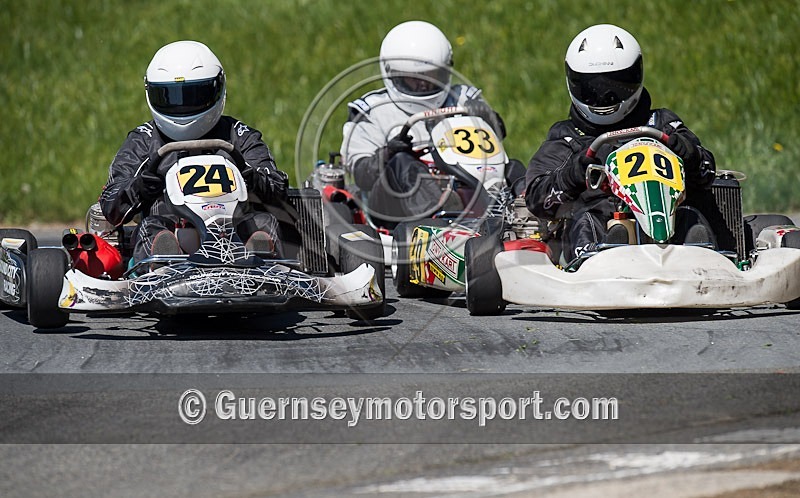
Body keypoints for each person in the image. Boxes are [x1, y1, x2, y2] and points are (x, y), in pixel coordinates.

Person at [525, 24, 719, 262]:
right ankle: (604, 254)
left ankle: (700, 255)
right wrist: (571, 174)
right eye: (591, 88)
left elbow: (708, 172)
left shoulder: (661, 123)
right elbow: (537, 199)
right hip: (601, 223)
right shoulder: (567, 137)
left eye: (616, 86)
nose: (604, 97)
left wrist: (691, 154)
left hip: (670, 220)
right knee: (589, 221)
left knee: (690, 216)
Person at [99, 40, 289, 263]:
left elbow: (278, 190)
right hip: (174, 232)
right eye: (170, 97)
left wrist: (252, 177)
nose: (182, 107)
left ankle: (261, 260)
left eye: (195, 95)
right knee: (152, 227)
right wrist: (140, 187)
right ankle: (163, 260)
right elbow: (111, 205)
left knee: (263, 222)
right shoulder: (144, 140)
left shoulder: (238, 135)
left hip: (235, 231)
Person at [340, 20, 522, 226]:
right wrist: (388, 153)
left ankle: (528, 216)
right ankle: (441, 216)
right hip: (394, 207)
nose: (424, 84)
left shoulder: (463, 98)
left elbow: (494, 143)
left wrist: (487, 118)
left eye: (432, 76)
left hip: (466, 186)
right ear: (392, 74)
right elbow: (362, 175)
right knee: (401, 163)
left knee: (512, 167)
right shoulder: (371, 111)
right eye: (414, 78)